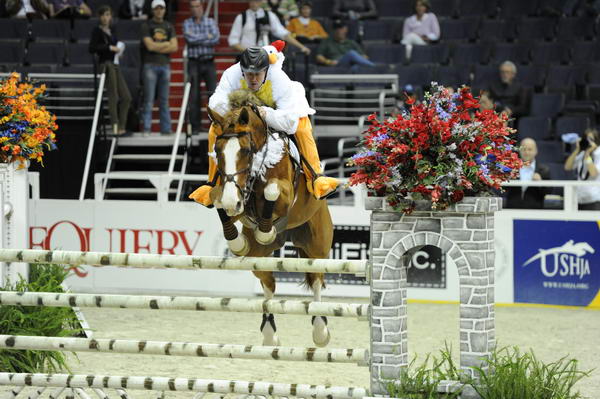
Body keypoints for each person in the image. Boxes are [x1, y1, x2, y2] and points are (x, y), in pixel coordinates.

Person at [189, 46, 339, 206]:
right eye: (249, 74)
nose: (253, 79)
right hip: (244, 114)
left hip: (276, 111)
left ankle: (316, 177)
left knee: (302, 126)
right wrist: (243, 112)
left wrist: (265, 113)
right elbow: (215, 103)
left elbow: (289, 123)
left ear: (266, 70)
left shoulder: (279, 79)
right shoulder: (231, 74)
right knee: (215, 129)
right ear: (242, 71)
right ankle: (212, 183)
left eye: (257, 74)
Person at [89, 5, 132, 135]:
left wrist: (118, 51)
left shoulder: (112, 31)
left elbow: (116, 46)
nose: (105, 18)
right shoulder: (97, 31)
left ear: (111, 17)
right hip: (105, 64)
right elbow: (92, 48)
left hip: (114, 63)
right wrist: (109, 48)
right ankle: (115, 125)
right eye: (103, 15)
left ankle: (121, 126)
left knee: (126, 97)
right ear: (99, 17)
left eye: (108, 15)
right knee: (113, 95)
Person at [140, 0, 178, 135]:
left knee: (164, 100)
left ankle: (166, 129)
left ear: (165, 10)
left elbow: (175, 46)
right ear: (152, 10)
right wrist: (166, 44)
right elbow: (149, 46)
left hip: (165, 66)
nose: (159, 10)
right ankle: (146, 128)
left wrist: (157, 46)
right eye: (157, 8)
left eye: (161, 8)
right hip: (150, 65)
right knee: (149, 99)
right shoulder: (146, 25)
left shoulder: (169, 26)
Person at [184, 0, 220, 134]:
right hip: (194, 63)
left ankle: (214, 126)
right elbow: (189, 39)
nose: (195, 9)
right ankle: (195, 127)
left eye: (197, 6)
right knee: (194, 96)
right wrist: (207, 37)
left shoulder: (210, 21)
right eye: (192, 7)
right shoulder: (187, 23)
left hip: (209, 61)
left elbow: (216, 39)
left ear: (202, 7)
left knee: (213, 94)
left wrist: (198, 38)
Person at [228, 0, 310, 55]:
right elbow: (233, 41)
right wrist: (249, 53)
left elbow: (284, 34)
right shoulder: (241, 17)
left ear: (261, 2)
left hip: (266, 57)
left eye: (257, 1)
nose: (254, 3)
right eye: (252, 0)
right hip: (246, 56)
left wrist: (302, 47)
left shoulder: (269, 15)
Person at [505, 138, 551, 209]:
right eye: (524, 149)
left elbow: (549, 192)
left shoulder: (543, 170)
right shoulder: (511, 168)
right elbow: (502, 189)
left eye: (530, 149)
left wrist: (541, 183)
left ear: (536, 151)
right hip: (512, 210)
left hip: (535, 211)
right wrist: (508, 178)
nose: (526, 152)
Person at [564, 128, 600, 210]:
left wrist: (587, 154)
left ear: (596, 141)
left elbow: (593, 173)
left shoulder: (598, 153)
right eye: (586, 139)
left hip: (594, 200)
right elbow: (567, 167)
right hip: (580, 199)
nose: (588, 142)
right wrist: (577, 150)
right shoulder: (583, 153)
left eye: (591, 139)